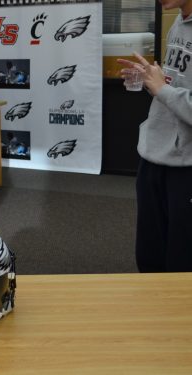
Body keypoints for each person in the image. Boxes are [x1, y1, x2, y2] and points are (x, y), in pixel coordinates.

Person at [117, 0, 192, 272]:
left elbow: (169, 92)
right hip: (154, 152)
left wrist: (163, 89)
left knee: (181, 262)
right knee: (149, 255)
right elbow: (173, 84)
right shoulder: (178, 22)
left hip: (186, 166)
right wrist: (150, 80)